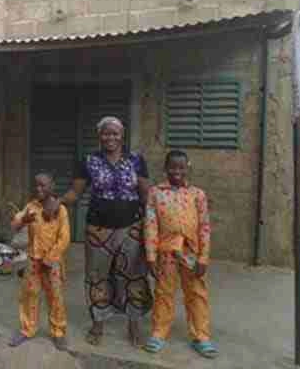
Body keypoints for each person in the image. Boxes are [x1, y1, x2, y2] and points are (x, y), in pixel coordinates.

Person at [61, 116, 152, 347]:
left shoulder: (136, 160)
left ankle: (134, 325)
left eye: (115, 133)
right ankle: (98, 323)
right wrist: (56, 202)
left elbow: (146, 195)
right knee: (96, 277)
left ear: (122, 135)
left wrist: (159, 222)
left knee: (134, 277)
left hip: (131, 227)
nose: (110, 137)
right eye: (105, 133)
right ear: (99, 136)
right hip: (98, 230)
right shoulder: (89, 160)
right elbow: (75, 192)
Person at [142, 150, 218, 359]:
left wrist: (203, 257)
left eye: (181, 167)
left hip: (192, 253)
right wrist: (150, 256)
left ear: (188, 168)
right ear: (165, 168)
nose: (177, 171)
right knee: (163, 292)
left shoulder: (197, 194)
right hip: (165, 252)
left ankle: (201, 335)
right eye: (173, 167)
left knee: (196, 293)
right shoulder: (155, 193)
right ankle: (159, 332)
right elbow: (150, 224)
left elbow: (204, 227)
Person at [9, 173, 71, 351]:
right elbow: (14, 225)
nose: (39, 189)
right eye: (36, 186)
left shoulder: (61, 210)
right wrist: (23, 221)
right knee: (29, 295)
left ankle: (58, 332)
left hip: (52, 263)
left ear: (52, 186)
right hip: (33, 260)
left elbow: (64, 238)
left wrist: (50, 258)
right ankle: (27, 329)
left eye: (43, 186)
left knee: (56, 297)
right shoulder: (31, 206)